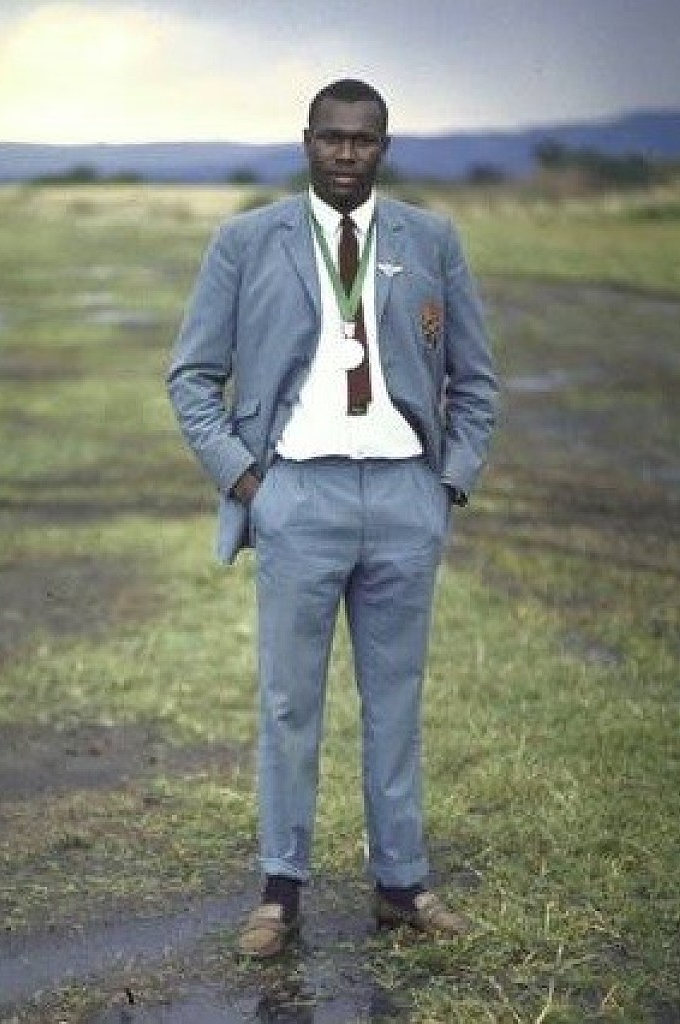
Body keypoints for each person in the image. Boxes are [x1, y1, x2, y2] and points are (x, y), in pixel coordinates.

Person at [167, 78, 497, 957]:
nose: (345, 153)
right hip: (296, 498)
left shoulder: (430, 239)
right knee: (288, 702)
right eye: (330, 137)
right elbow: (191, 377)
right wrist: (250, 484)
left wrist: (445, 484)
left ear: (383, 146)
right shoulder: (246, 241)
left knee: (396, 699)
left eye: (363, 139)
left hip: (402, 497)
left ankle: (401, 885)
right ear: (306, 141)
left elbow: (475, 378)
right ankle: (279, 892)